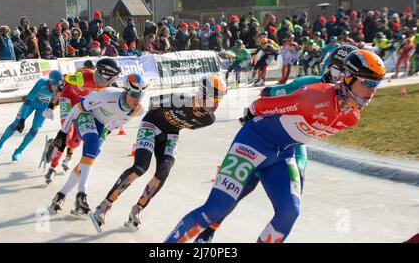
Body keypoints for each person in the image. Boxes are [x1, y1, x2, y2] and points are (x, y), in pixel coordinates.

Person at [165, 50, 386, 243]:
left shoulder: (351, 118)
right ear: (347, 78)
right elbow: (259, 105)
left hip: (283, 153)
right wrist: (250, 116)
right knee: (215, 208)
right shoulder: (314, 95)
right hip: (254, 143)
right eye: (368, 83)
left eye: (376, 85)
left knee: (290, 212)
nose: (372, 91)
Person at [90, 75, 227, 232]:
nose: (216, 104)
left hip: (171, 134)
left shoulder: (209, 119)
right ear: (202, 94)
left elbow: (185, 125)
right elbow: (152, 104)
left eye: (219, 100)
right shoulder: (179, 99)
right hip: (152, 124)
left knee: (163, 172)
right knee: (140, 167)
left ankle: (138, 209)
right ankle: (105, 205)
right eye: (213, 99)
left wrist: (171, 125)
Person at [48, 73, 147, 216]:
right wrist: (62, 133)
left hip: (102, 125)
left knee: (89, 158)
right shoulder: (107, 95)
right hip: (85, 113)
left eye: (141, 95)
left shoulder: (138, 110)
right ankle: (82, 194)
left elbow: (111, 127)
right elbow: (76, 109)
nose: (137, 99)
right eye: (133, 94)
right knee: (92, 142)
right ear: (125, 91)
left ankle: (60, 195)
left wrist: (102, 139)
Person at [42, 58, 122, 184]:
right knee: (67, 131)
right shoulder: (82, 77)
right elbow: (62, 82)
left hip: (82, 104)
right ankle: (52, 167)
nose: (114, 80)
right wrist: (50, 106)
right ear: (104, 74)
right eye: (113, 77)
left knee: (75, 141)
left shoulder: (108, 85)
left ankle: (66, 154)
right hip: (67, 98)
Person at [0, 71, 64, 161]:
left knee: (35, 128)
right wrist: (22, 120)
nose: (56, 89)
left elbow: (57, 102)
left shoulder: (61, 88)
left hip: (43, 107)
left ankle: (19, 151)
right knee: (16, 123)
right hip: (31, 103)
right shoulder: (41, 83)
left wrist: (51, 109)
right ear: (50, 83)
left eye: (58, 87)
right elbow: (27, 101)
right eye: (55, 86)